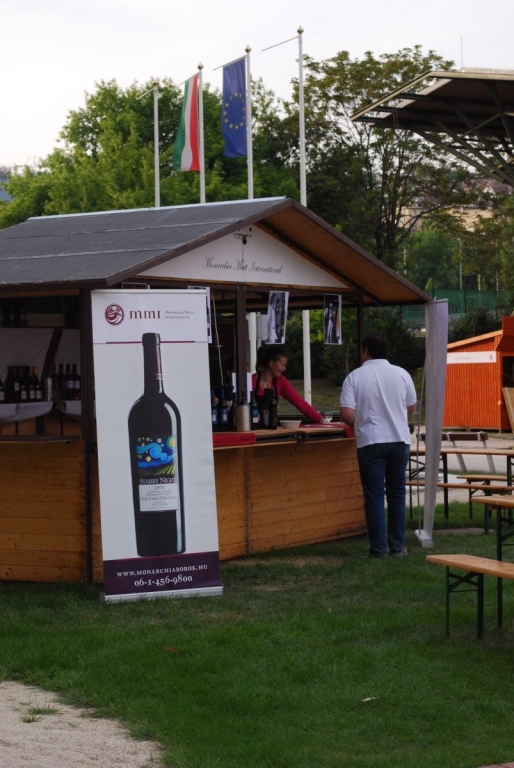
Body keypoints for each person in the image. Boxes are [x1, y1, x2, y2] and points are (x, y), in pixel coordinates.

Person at [339, 333, 417, 559]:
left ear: (365, 350)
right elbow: (411, 406)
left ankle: (378, 549)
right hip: (399, 439)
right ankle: (398, 546)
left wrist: (361, 422)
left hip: (371, 440)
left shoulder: (354, 377)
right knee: (397, 493)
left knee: (374, 496)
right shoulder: (402, 374)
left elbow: (346, 413)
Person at [252, 346, 324, 424]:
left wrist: (321, 420)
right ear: (271, 363)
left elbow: (298, 401)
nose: (284, 369)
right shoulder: (250, 381)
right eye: (282, 365)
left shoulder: (280, 381)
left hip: (271, 427)